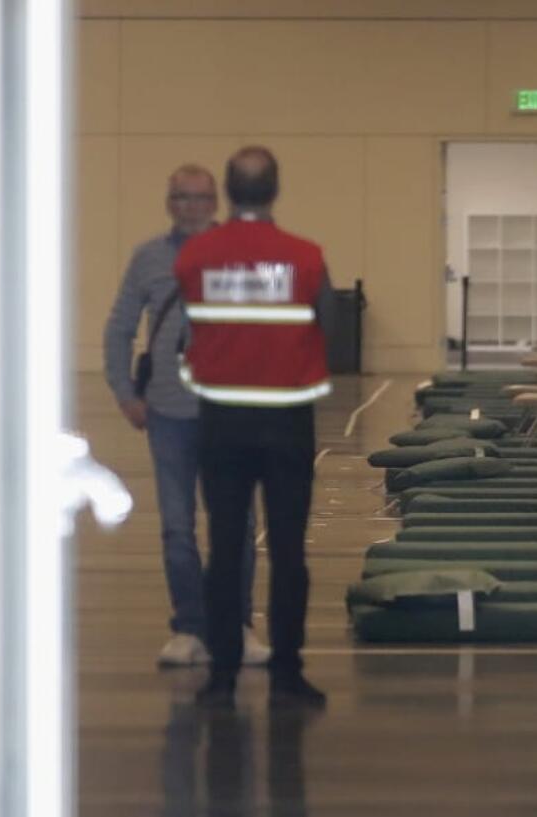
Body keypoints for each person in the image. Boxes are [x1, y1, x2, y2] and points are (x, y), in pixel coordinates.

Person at [175, 146, 337, 709]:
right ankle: (287, 673)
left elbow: (189, 327)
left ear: (227, 188)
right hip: (288, 423)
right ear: (275, 190)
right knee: (289, 552)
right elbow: (331, 331)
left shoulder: (197, 256)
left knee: (224, 548)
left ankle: (221, 676)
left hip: (221, 423)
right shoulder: (306, 257)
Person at [103, 164, 270, 668]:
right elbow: (119, 328)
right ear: (169, 202)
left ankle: (237, 626)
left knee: (235, 524)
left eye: (200, 197)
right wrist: (124, 393)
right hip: (168, 414)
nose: (191, 206)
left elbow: (266, 330)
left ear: (215, 201)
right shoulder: (148, 258)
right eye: (181, 197)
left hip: (231, 414)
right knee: (177, 525)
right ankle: (190, 628)